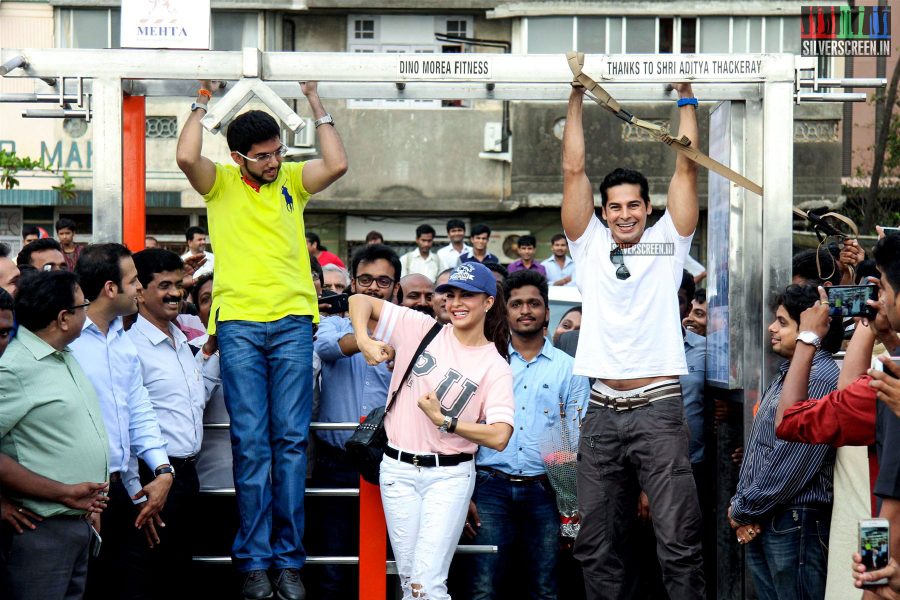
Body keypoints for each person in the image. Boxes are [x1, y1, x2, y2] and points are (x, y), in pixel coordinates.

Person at [176, 78, 347, 600]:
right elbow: (185, 155)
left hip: (295, 321)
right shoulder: (221, 183)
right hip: (239, 325)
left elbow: (337, 164)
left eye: (277, 152)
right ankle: (253, 562)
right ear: (238, 156)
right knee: (251, 447)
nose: (274, 162)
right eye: (264, 156)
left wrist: (315, 102)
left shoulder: (293, 179)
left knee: (291, 445)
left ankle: (288, 562)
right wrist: (202, 101)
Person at [562, 79, 705, 599]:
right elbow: (573, 169)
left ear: (648, 209)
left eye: (634, 205)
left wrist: (686, 99)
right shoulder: (588, 246)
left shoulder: (669, 243)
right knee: (596, 543)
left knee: (678, 542)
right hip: (601, 410)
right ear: (603, 212)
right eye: (615, 206)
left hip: (659, 409)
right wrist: (576, 97)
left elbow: (686, 166)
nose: (625, 213)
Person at [349, 261, 515, 600]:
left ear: (488, 302)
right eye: (450, 294)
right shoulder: (422, 327)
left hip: (449, 477)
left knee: (428, 584)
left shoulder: (494, 364)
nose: (456, 303)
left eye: (467, 295)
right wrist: (365, 340)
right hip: (396, 469)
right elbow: (359, 302)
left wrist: (445, 421)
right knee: (411, 582)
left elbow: (500, 435)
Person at [466, 269, 589, 600]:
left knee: (545, 587)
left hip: (545, 491)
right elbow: (465, 433)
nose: (525, 311)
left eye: (534, 303)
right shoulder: (487, 363)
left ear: (547, 312)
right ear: (505, 311)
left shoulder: (569, 368)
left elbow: (573, 442)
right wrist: (466, 495)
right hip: (489, 487)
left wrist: (569, 508)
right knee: (483, 587)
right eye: (517, 304)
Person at [71, 244, 173, 600]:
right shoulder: (67, 341)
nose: (140, 290)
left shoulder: (121, 338)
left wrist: (162, 471)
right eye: (133, 282)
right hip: (78, 497)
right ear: (110, 289)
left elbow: (138, 410)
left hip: (122, 492)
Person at [0, 271, 110, 600]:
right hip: (40, 530)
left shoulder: (64, 357)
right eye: (83, 306)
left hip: (77, 523)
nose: (88, 313)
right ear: (64, 318)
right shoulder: (14, 368)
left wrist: (86, 507)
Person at [729, 284, 842, 600]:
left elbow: (791, 460)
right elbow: (764, 451)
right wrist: (745, 508)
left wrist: (743, 508)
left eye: (782, 321)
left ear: (806, 329)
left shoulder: (817, 378)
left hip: (793, 519)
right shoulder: (791, 372)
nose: (771, 328)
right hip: (769, 515)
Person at [309, 243, 400, 599]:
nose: (373, 288)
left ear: (395, 287)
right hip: (336, 462)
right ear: (352, 282)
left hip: (389, 464)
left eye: (382, 281)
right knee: (332, 566)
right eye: (365, 279)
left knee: (385, 564)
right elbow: (329, 349)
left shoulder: (410, 331)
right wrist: (365, 337)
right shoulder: (332, 325)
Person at [127, 248, 207, 598]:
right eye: (164, 285)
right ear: (140, 292)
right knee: (149, 578)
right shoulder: (130, 347)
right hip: (152, 479)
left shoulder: (180, 341)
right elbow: (126, 421)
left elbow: (195, 399)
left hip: (187, 476)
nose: (175, 292)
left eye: (178, 284)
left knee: (179, 574)